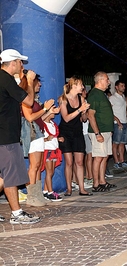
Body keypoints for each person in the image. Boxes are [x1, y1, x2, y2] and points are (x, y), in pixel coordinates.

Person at [0, 48, 41, 224]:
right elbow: (29, 102)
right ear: (13, 62)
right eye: (20, 62)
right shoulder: (5, 79)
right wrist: (29, 81)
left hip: (2, 134)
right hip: (6, 136)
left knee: (2, 177)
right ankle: (16, 214)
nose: (22, 65)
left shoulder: (4, 80)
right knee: (10, 176)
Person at [20, 72, 55, 207]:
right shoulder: (25, 99)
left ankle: (37, 194)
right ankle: (32, 195)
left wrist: (49, 112)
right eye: (37, 82)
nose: (40, 84)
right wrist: (45, 108)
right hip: (31, 134)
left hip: (38, 133)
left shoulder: (35, 99)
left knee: (38, 165)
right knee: (34, 166)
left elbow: (39, 117)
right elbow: (30, 117)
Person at [59, 76, 93, 196]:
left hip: (78, 132)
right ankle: (69, 188)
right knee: (69, 162)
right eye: (81, 85)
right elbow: (66, 118)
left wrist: (84, 112)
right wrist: (79, 110)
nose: (83, 87)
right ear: (74, 86)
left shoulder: (81, 98)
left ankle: (82, 188)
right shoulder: (63, 99)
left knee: (79, 162)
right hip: (65, 132)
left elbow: (83, 120)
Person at [87, 72, 117, 192]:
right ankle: (96, 184)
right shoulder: (94, 94)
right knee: (98, 157)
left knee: (105, 156)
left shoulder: (102, 94)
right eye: (107, 79)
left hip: (106, 131)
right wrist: (97, 133)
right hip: (99, 131)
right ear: (100, 80)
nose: (109, 82)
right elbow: (90, 115)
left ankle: (102, 181)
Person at [41, 105, 63, 201]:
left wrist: (58, 139)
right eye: (52, 111)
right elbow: (39, 138)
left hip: (54, 150)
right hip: (48, 150)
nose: (54, 112)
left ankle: (46, 191)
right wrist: (46, 139)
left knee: (52, 172)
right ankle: (50, 192)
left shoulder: (53, 124)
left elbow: (53, 136)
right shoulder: (42, 124)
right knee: (49, 172)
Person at [109, 80, 127, 169]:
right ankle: (116, 161)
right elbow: (109, 111)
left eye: (124, 85)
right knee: (116, 143)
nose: (123, 87)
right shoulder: (112, 98)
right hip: (117, 123)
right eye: (121, 85)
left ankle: (122, 160)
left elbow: (126, 110)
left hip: (124, 122)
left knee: (122, 143)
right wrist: (117, 120)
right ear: (116, 87)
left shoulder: (123, 97)